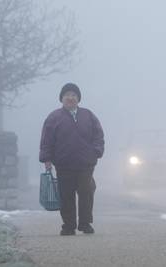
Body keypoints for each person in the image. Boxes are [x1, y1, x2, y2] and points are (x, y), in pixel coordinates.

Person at [39, 83, 105, 236]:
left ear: (78, 99)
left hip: (86, 164)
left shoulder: (88, 115)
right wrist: (46, 159)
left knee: (86, 192)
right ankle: (68, 225)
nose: (70, 98)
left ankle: (85, 223)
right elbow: (46, 140)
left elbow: (98, 136)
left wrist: (96, 151)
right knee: (66, 195)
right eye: (67, 95)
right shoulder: (54, 117)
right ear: (62, 98)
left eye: (74, 95)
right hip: (64, 164)